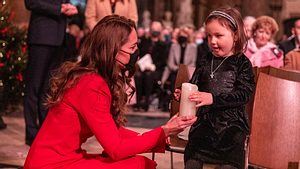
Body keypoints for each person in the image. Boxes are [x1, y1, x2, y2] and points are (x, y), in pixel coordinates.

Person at [24, 15, 197, 169]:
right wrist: (163, 131)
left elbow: (113, 132)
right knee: (141, 164)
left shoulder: (91, 77)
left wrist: (159, 136)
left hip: (57, 159)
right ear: (113, 49)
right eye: (132, 47)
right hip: (52, 164)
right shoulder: (92, 84)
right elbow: (116, 149)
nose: (136, 53)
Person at [174, 7, 255, 169]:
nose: (212, 41)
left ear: (236, 35)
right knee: (193, 158)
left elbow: (244, 94)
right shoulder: (206, 60)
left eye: (218, 36)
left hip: (231, 125)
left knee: (230, 160)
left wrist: (212, 98)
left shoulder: (242, 63)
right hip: (205, 123)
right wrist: (184, 93)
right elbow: (194, 83)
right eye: (209, 36)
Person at [24, 0, 78, 146]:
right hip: (41, 37)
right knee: (33, 86)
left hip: (58, 39)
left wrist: (69, 7)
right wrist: (59, 9)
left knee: (48, 87)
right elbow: (30, 3)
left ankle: (44, 130)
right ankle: (31, 133)